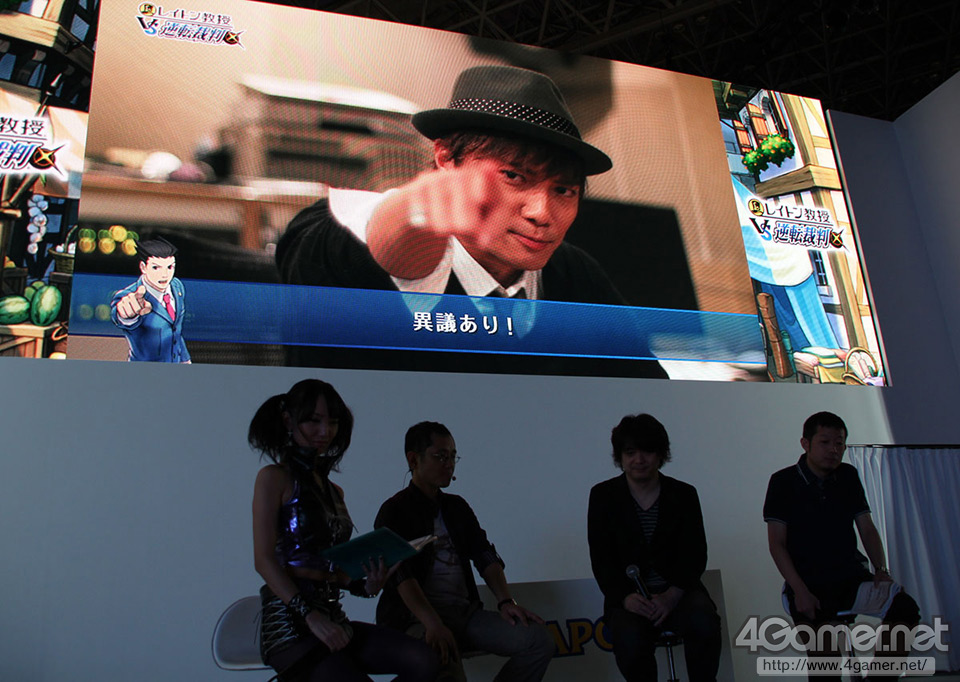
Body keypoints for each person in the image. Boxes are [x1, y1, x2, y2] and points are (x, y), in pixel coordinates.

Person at [275, 65, 666, 379]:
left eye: (563, 190)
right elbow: (361, 242)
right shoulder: (338, 234)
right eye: (514, 176)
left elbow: (649, 396)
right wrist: (414, 213)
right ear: (446, 158)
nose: (542, 213)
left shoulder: (574, 274)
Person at [248, 380, 438, 682]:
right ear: (288, 420)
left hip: (334, 619)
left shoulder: (333, 490)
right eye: (314, 421)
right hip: (289, 627)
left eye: (333, 422)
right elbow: (264, 560)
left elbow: (332, 570)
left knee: (424, 660)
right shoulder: (273, 478)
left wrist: (368, 585)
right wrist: (311, 616)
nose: (325, 431)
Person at [373, 421, 556, 681]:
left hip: (465, 614)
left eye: (452, 456)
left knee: (538, 640)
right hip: (414, 618)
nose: (449, 464)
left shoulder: (456, 507)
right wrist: (433, 624)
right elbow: (402, 576)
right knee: (443, 660)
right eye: (440, 456)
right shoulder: (394, 510)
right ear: (414, 459)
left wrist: (505, 601)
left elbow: (484, 554)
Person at [763, 411, 920, 678]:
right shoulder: (783, 482)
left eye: (839, 443)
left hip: (850, 578)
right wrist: (799, 590)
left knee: (905, 609)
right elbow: (777, 544)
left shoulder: (847, 475)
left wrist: (880, 569)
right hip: (808, 583)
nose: (833, 450)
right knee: (826, 661)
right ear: (805, 443)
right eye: (825, 442)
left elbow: (866, 528)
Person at [587, 414, 722, 682]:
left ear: (661, 455)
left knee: (704, 622)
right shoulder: (603, 496)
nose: (639, 459)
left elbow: (696, 554)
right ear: (620, 457)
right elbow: (601, 559)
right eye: (630, 452)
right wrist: (625, 597)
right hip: (629, 598)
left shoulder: (684, 494)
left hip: (679, 592)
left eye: (647, 451)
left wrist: (671, 596)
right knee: (629, 638)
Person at [110, 237, 190, 362]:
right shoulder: (131, 295)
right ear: (143, 267)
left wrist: (185, 360)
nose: (164, 274)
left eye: (170, 267)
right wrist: (127, 314)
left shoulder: (177, 286)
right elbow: (121, 314)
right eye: (156, 268)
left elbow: (176, 332)